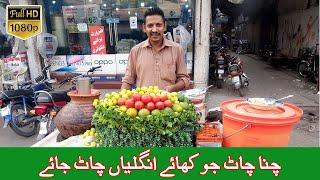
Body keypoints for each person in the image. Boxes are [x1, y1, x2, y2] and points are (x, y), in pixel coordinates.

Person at [121, 7, 190, 92]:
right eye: (150, 26)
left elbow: (184, 79)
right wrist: (122, 98)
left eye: (158, 25)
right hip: (143, 103)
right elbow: (128, 81)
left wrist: (173, 88)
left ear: (164, 26)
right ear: (144, 28)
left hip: (168, 103)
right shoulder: (135, 51)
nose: (154, 30)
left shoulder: (177, 49)